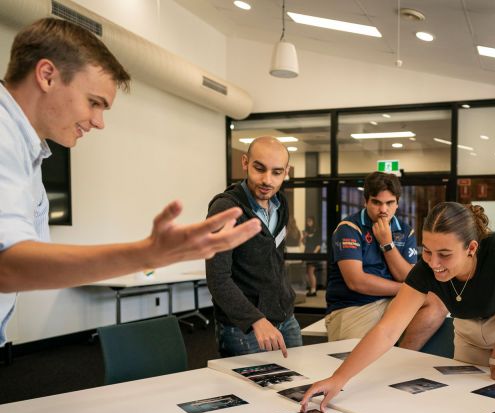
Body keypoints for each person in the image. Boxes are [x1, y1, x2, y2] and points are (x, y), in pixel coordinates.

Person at [0, 18, 259, 347]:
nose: (99, 122)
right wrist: (147, 254)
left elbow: (30, 264)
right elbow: (8, 266)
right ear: (47, 75)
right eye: (94, 102)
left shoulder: (29, 151)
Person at [302, 202, 495, 411]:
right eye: (427, 251)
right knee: (468, 404)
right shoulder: (425, 270)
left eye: (444, 254)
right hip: (469, 329)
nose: (434, 263)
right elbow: (387, 330)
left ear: (471, 248)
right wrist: (338, 378)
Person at [325, 171, 446, 349]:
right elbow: (356, 282)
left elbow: (408, 277)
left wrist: (387, 244)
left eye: (389, 203)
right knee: (360, 363)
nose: (383, 210)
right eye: (376, 202)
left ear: (397, 203)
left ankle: (403, 354)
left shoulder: (405, 231)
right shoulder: (349, 228)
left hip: (391, 302)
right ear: (366, 201)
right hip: (354, 306)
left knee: (436, 302)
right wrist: (406, 289)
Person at [205, 136, 300, 357]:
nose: (267, 180)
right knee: (256, 382)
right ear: (245, 163)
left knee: (298, 377)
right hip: (244, 328)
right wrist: (256, 319)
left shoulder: (280, 204)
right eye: (259, 168)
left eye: (277, 172)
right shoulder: (225, 209)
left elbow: (275, 258)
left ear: (286, 172)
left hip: (285, 319)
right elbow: (218, 279)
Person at [303, 215, 322, 296]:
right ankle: (311, 288)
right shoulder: (307, 231)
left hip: (313, 254)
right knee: (308, 272)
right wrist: (304, 237)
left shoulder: (316, 231)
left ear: (313, 222)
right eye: (307, 221)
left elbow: (319, 244)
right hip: (307, 252)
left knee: (311, 272)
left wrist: (314, 253)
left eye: (310, 221)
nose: (308, 223)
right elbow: (304, 243)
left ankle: (313, 290)